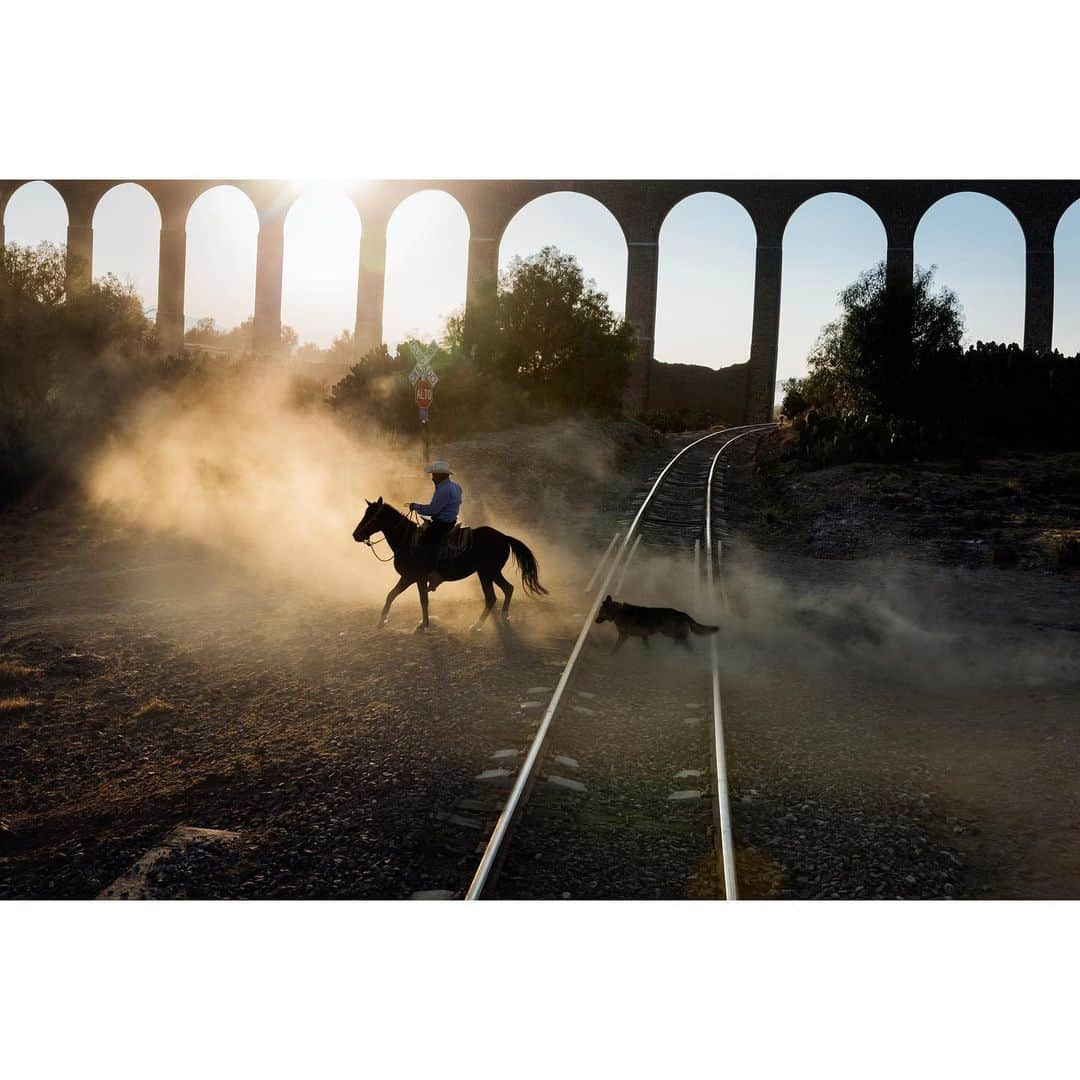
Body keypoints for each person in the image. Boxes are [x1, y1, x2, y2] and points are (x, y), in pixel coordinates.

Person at [409, 461, 462, 591]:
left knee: (424, 543)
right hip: (450, 522)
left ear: (439, 475)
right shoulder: (456, 487)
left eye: (434, 475)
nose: (432, 478)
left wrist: (416, 507)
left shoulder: (443, 490)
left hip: (441, 524)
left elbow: (433, 510)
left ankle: (432, 574)